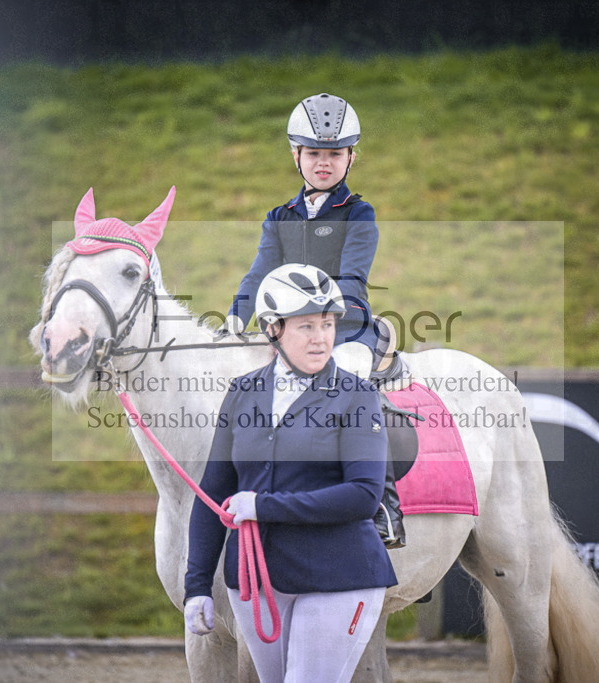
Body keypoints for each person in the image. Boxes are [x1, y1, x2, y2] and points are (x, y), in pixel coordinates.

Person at [185, 264, 397, 682]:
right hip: (256, 581)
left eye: (327, 324)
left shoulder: (358, 397)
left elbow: (362, 495)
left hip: (339, 574)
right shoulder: (242, 393)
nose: (321, 337)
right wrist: (196, 586)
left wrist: (264, 506)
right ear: (272, 329)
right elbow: (213, 491)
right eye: (305, 326)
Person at [221, 92, 405, 547]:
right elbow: (258, 273)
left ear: (351, 157)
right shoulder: (278, 217)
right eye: (315, 153)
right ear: (296, 155)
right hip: (287, 332)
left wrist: (311, 319)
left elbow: (352, 278)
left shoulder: (359, 214)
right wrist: (233, 319)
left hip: (344, 330)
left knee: (353, 384)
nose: (324, 163)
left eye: (335, 154)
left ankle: (384, 504)